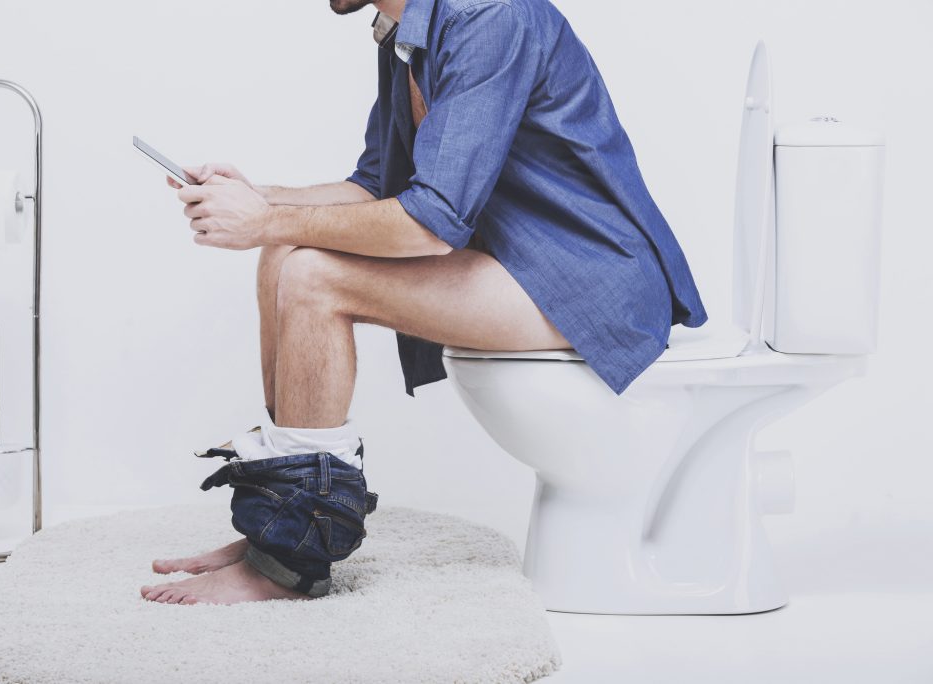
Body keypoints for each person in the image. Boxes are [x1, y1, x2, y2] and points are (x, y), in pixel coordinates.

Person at [139, 0, 708, 606]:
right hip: (520, 261)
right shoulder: (407, 38)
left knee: (312, 275)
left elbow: (432, 224)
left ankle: (288, 560)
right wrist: (261, 201)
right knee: (283, 249)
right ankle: (280, 520)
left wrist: (267, 219)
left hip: (591, 279)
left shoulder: (492, 18)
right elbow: (372, 186)